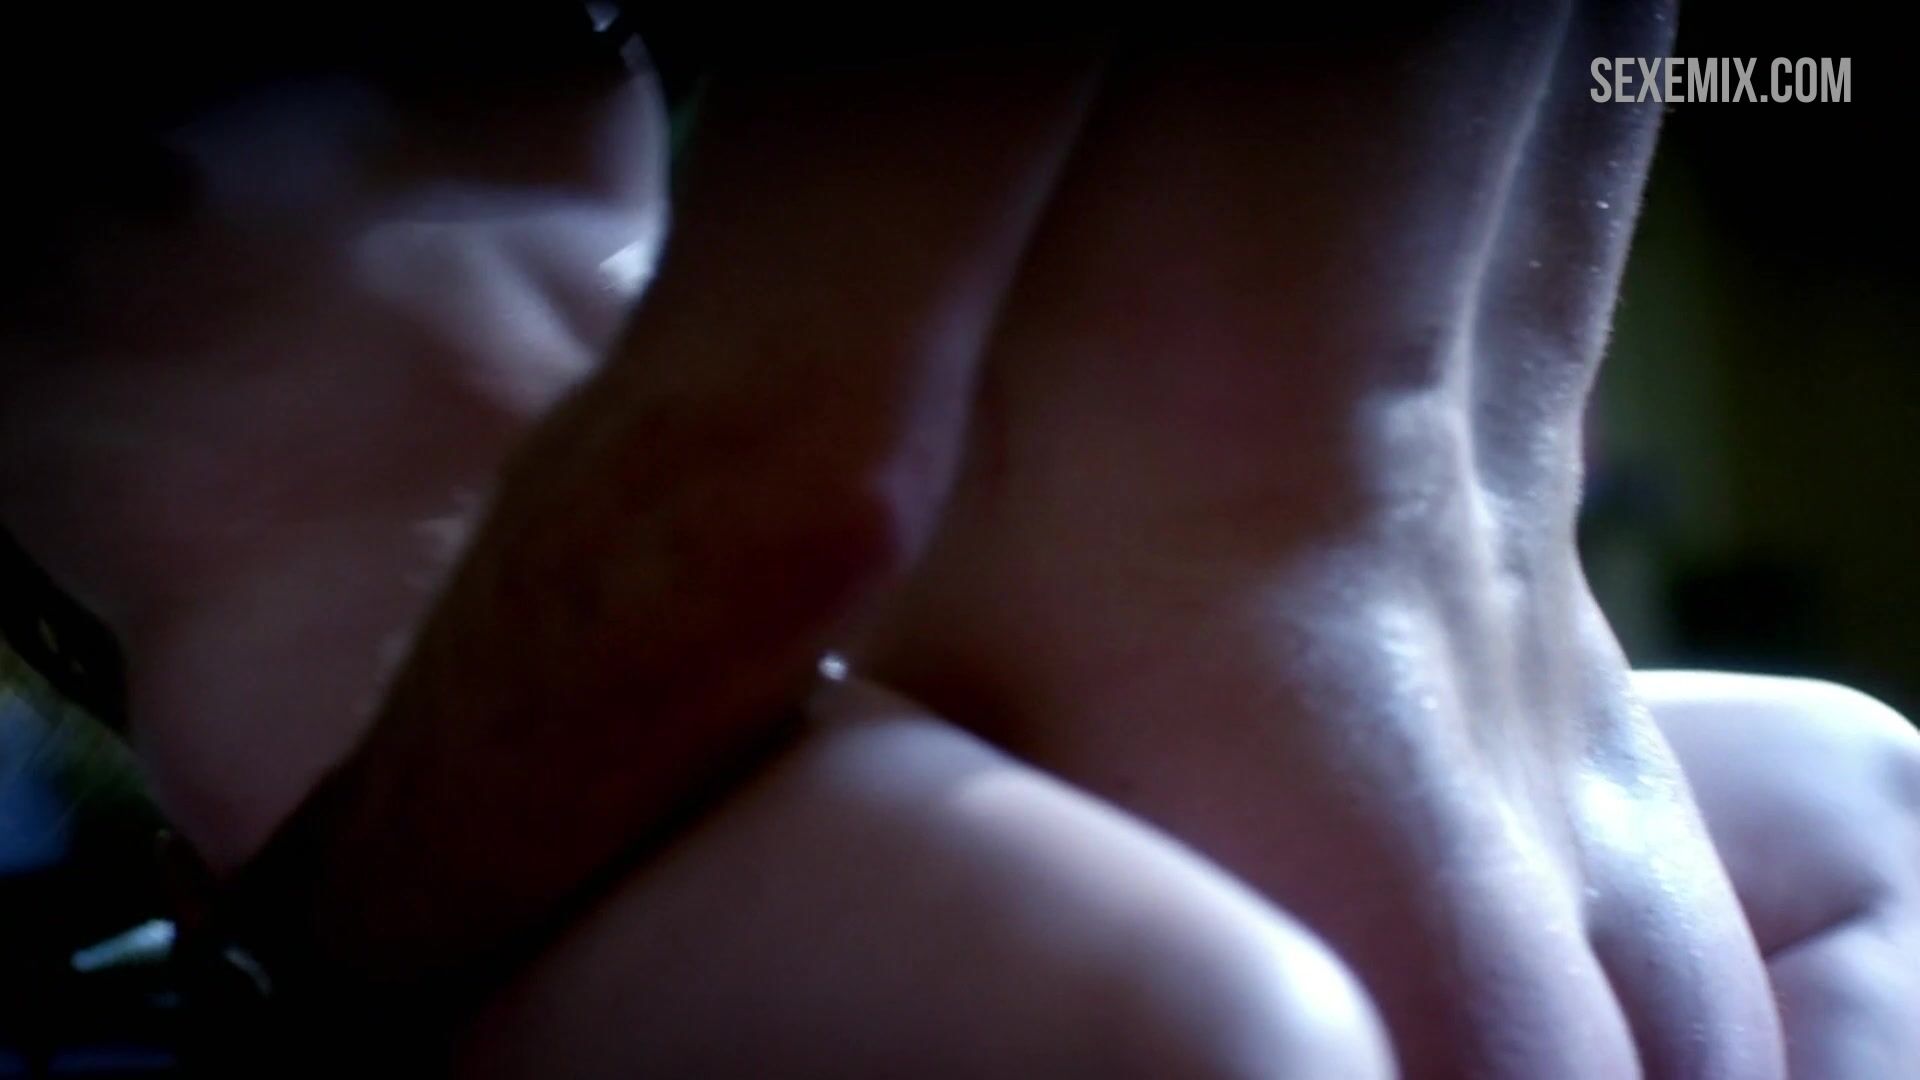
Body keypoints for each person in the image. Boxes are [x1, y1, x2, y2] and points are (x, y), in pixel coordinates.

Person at [3, 3, 1915, 1075]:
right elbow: (785, 462)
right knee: (1226, 1036)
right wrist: (292, 960)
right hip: (408, 639)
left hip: (769, 592)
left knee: (1863, 779)